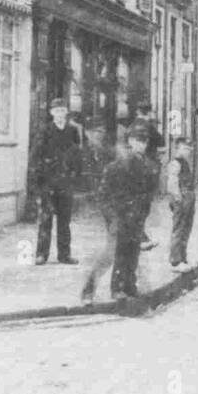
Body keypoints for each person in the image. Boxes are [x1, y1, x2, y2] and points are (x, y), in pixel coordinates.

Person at [99, 118, 158, 298]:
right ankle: (117, 288)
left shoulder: (147, 164)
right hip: (120, 214)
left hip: (137, 214)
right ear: (130, 141)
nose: (142, 145)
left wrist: (143, 210)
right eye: (138, 141)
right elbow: (105, 194)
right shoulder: (119, 164)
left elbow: (149, 191)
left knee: (133, 251)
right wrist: (112, 216)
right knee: (120, 251)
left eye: (145, 142)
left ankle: (130, 285)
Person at [33, 98, 82, 265]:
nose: (60, 114)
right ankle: (41, 254)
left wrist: (74, 175)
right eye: (56, 111)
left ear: (66, 112)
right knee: (45, 219)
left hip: (65, 182)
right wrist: (40, 181)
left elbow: (77, 155)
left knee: (64, 220)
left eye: (62, 110)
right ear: (51, 113)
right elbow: (37, 155)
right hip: (48, 182)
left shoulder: (73, 131)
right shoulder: (45, 131)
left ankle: (64, 254)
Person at [80, 119, 117, 303]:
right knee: (108, 251)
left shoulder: (108, 153)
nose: (99, 136)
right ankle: (88, 289)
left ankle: (119, 288)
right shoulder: (83, 151)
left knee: (115, 250)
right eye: (96, 132)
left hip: (108, 205)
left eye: (102, 132)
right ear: (87, 133)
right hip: (92, 209)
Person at [136, 100, 164, 250]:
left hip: (135, 168)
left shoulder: (132, 126)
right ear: (149, 112)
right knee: (143, 204)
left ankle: (140, 236)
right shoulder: (149, 127)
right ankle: (139, 237)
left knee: (137, 203)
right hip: (147, 169)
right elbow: (162, 144)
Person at [166, 135, 195, 271]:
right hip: (181, 198)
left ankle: (183, 258)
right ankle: (175, 261)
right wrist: (178, 199)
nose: (188, 151)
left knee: (186, 229)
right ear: (177, 148)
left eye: (189, 148)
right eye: (185, 148)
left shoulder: (185, 163)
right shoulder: (175, 163)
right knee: (179, 229)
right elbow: (172, 184)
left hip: (188, 197)